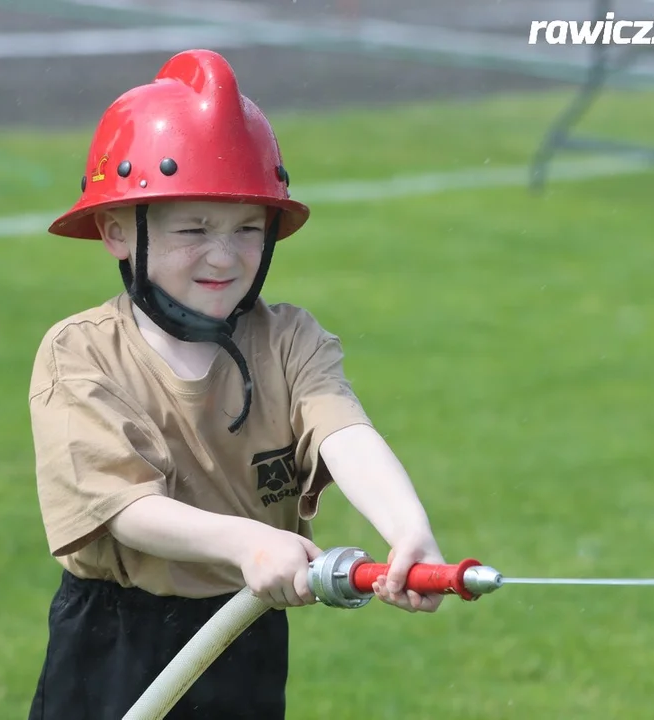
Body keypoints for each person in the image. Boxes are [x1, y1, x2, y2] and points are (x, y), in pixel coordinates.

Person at [27, 48, 446, 720]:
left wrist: (408, 529)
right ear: (115, 231)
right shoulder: (82, 354)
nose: (223, 254)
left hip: (245, 625)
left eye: (247, 228)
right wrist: (247, 543)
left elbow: (346, 432)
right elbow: (123, 506)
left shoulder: (289, 339)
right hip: (117, 639)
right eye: (193, 228)